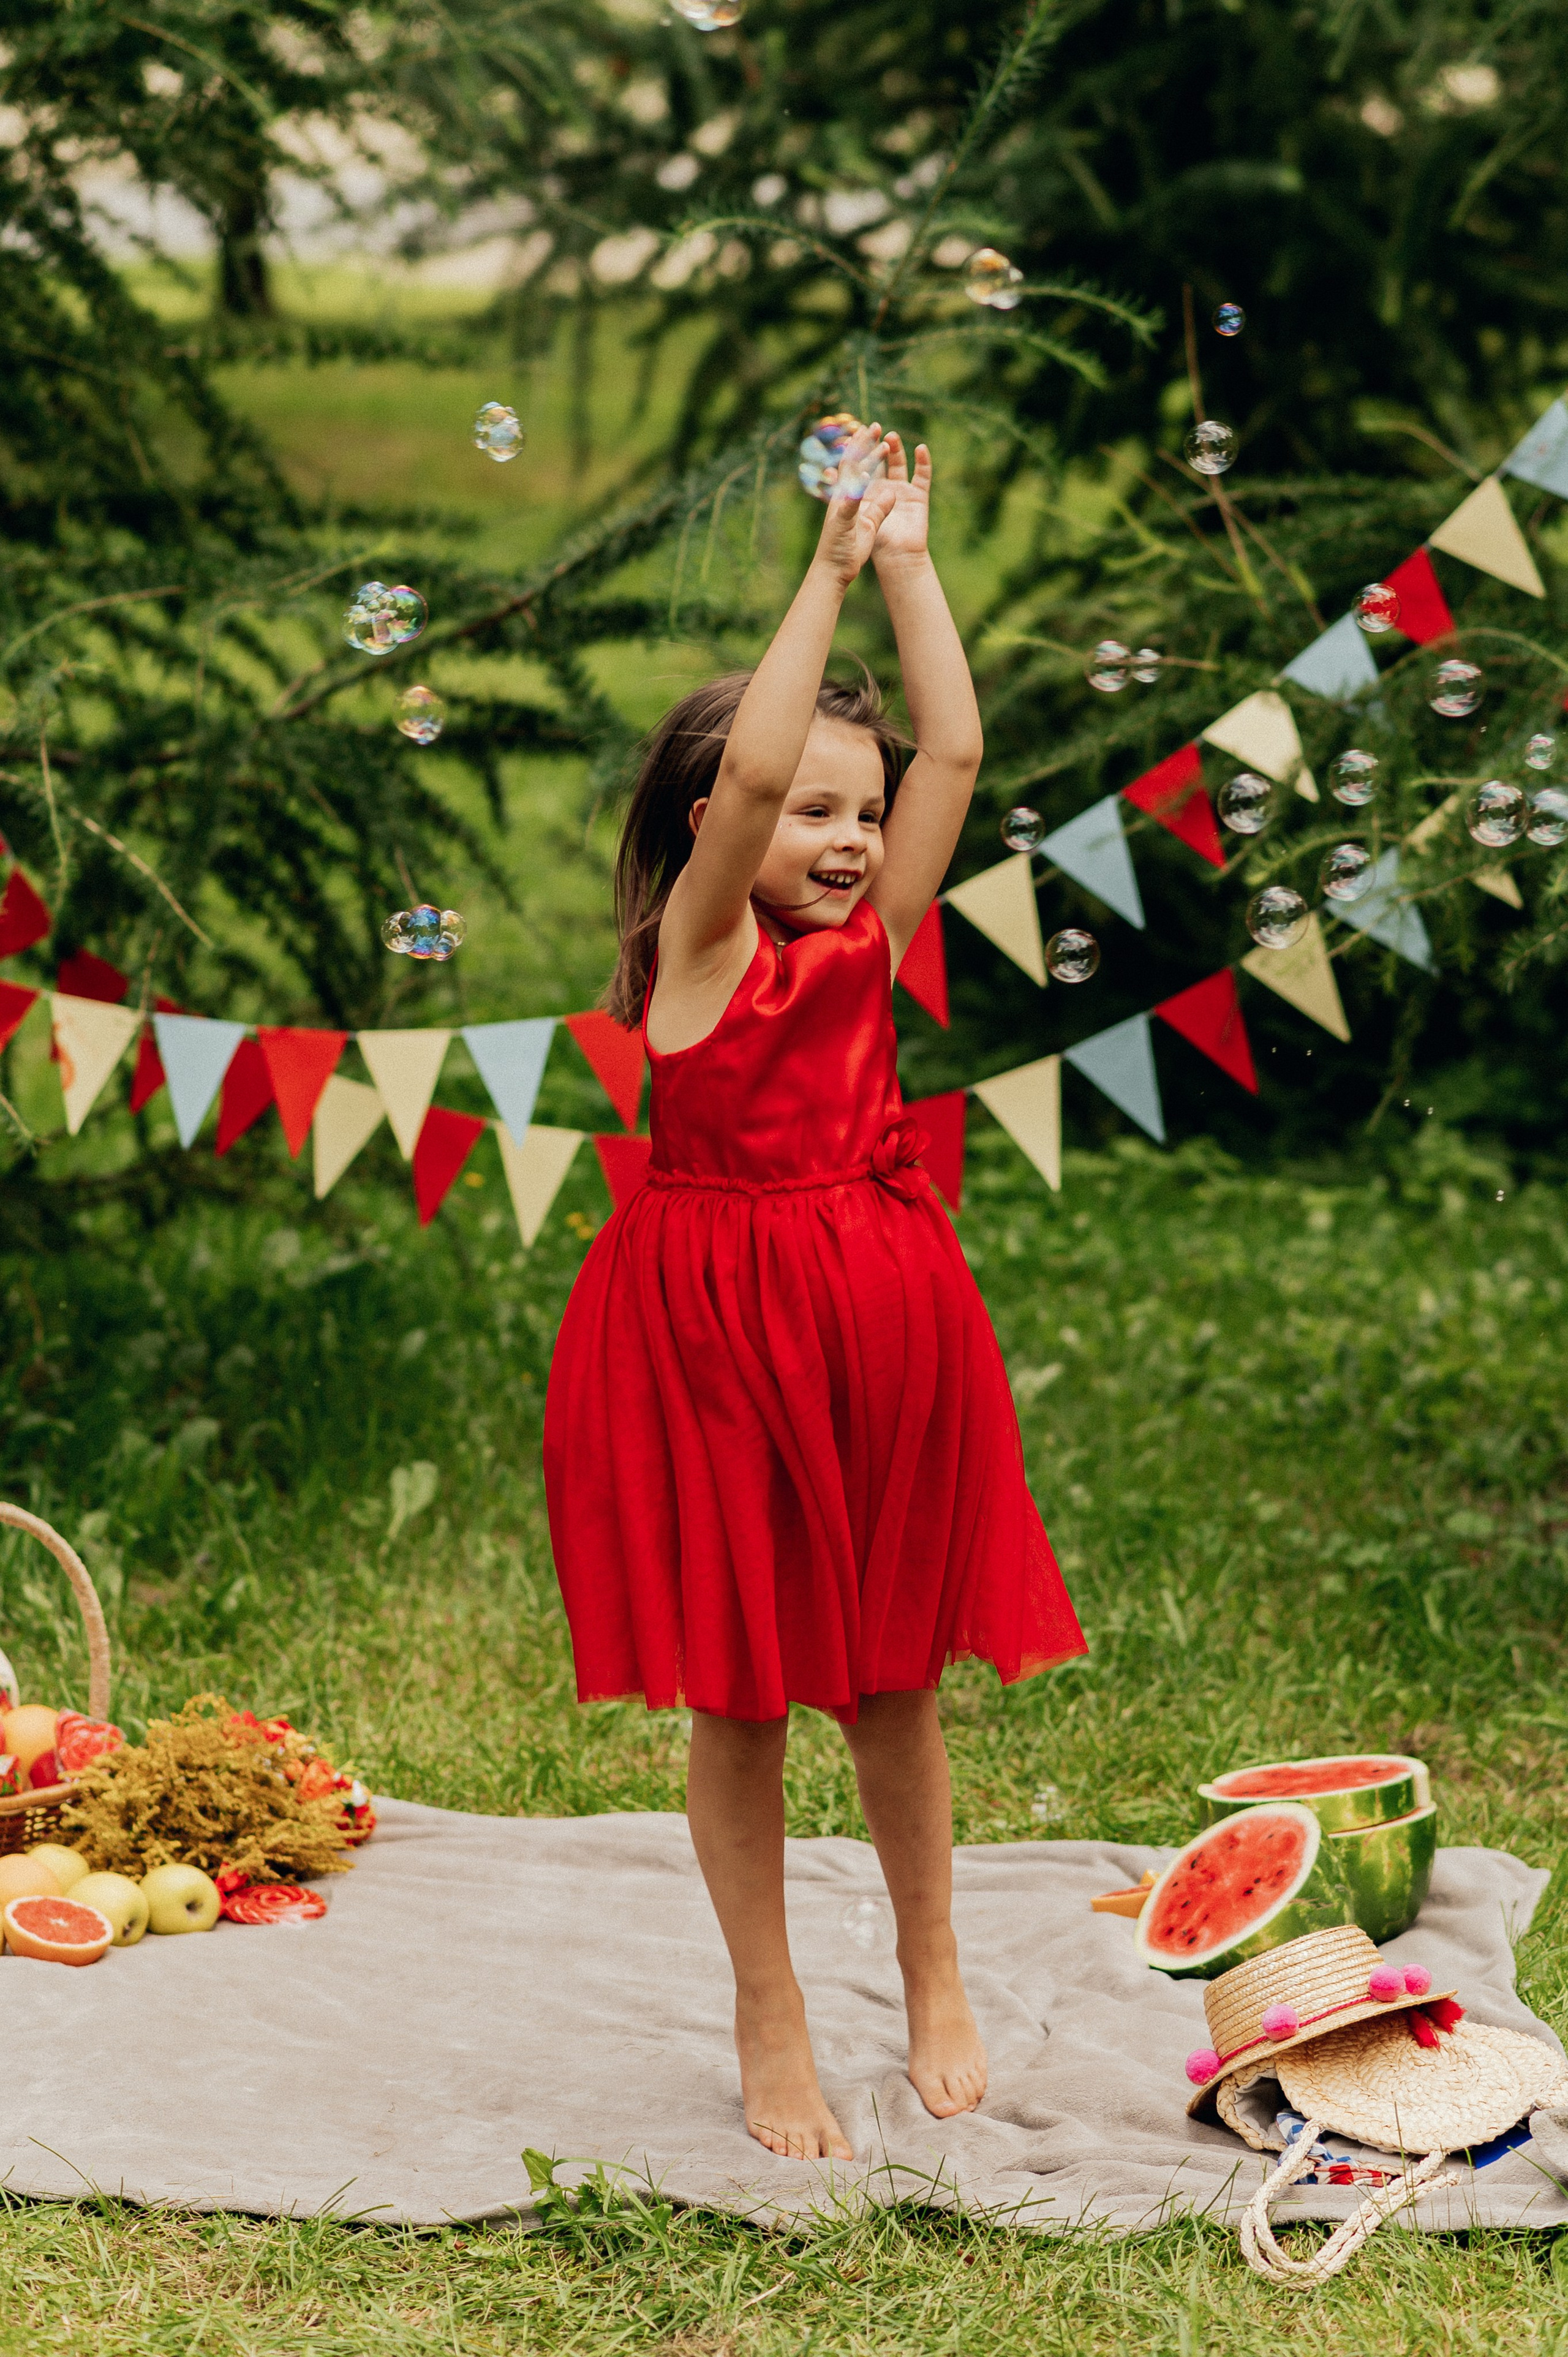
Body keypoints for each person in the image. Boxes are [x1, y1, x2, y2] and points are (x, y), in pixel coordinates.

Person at [544, 426, 1085, 2163]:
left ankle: (934, 1963)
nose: (849, 839)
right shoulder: (700, 957)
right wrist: (828, 567)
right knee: (743, 1689)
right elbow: (762, 756)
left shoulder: (873, 940)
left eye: (863, 815)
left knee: (898, 1676)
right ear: (721, 829)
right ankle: (767, 2004)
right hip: (714, 1343)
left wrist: (913, 562)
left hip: (882, 1320)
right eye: (807, 811)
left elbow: (961, 744)